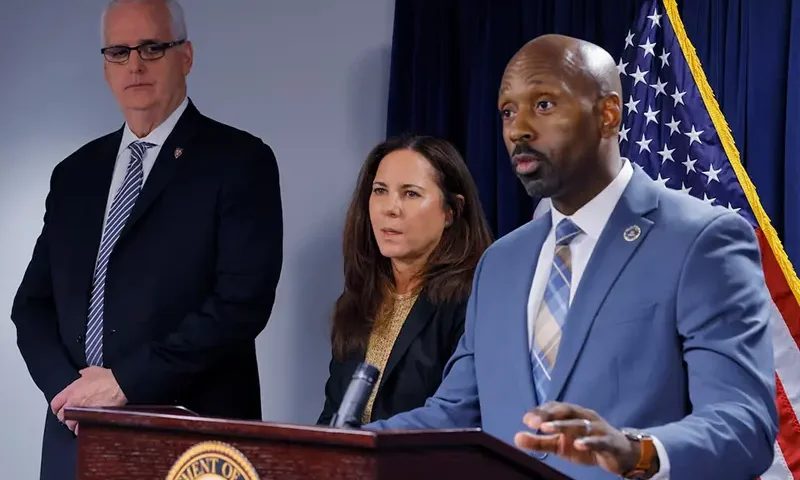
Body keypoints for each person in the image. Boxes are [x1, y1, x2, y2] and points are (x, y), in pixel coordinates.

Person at [363, 34, 777, 480]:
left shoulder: (700, 240)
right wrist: (337, 449)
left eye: (543, 105)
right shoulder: (500, 263)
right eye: (507, 111)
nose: (518, 128)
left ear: (608, 115)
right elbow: (452, 414)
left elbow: (744, 425)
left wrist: (635, 451)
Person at [9, 1, 282, 478]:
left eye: (152, 48)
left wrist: (126, 383)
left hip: (189, 440)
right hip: (76, 438)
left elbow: (242, 304)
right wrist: (69, 394)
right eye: (118, 51)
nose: (134, 64)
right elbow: (32, 305)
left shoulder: (239, 161)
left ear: (187, 57)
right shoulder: (75, 174)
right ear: (105, 65)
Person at [317, 134, 493, 426]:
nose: (390, 208)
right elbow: (331, 417)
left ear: (451, 211)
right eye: (380, 190)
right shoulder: (358, 301)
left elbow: (458, 419)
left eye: (410, 194)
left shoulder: (474, 299)